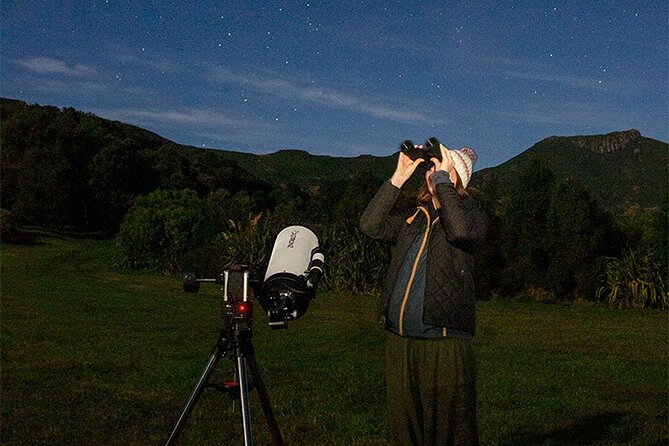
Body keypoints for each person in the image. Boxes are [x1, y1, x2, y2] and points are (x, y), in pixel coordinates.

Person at [359, 141, 486, 446]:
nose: (433, 171)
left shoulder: (470, 216)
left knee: (449, 433)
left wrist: (445, 181)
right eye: (433, 167)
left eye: (443, 167)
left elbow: (460, 232)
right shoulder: (414, 219)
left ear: (457, 179)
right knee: (405, 433)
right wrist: (398, 178)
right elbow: (370, 226)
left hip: (442, 343)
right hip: (399, 341)